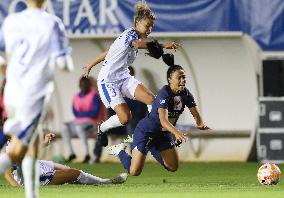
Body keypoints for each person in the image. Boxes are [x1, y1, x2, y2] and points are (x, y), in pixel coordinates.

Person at [0, 0, 73, 197]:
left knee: (32, 143)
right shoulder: (52, 22)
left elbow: (1, 60)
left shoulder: (10, 21)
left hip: (12, 92)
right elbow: (65, 65)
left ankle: (32, 194)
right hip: (33, 93)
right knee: (17, 150)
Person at [83, 1, 179, 147]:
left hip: (123, 77)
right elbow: (137, 45)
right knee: (125, 118)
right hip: (108, 82)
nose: (150, 29)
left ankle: (151, 132)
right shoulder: (130, 35)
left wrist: (90, 64)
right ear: (138, 22)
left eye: (152, 26)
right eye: (147, 25)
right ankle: (102, 128)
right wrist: (164, 45)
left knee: (151, 99)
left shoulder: (133, 38)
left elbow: (109, 52)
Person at [106, 54, 210, 176]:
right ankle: (120, 151)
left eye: (184, 77)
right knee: (134, 172)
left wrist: (199, 123)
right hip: (146, 132)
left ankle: (152, 146)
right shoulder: (164, 94)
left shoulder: (186, 94)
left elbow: (195, 113)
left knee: (173, 167)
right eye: (179, 78)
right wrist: (176, 133)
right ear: (170, 80)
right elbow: (163, 120)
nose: (183, 80)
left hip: (163, 134)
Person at [4, 133, 128, 186]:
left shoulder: (17, 140)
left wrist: (45, 142)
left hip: (37, 165)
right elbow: (7, 170)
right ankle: (106, 182)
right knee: (74, 173)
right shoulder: (11, 146)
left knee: (68, 169)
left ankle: (72, 180)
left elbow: (30, 149)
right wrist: (17, 187)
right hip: (35, 177)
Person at [61, 76, 105, 163]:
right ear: (79, 86)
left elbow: (94, 114)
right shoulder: (76, 97)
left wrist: (81, 113)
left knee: (79, 128)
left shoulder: (94, 96)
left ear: (89, 85)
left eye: (85, 84)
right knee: (64, 127)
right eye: (81, 85)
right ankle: (71, 153)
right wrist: (86, 112)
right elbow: (75, 113)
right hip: (78, 122)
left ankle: (87, 154)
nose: (83, 86)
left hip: (91, 123)